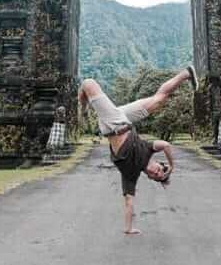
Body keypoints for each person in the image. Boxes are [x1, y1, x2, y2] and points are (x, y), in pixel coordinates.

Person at [78, 66, 198, 235]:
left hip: (113, 124)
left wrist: (129, 229)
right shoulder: (149, 150)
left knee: (88, 83)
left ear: (149, 176)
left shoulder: (131, 173)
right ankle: (186, 74)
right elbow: (166, 145)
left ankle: (82, 109)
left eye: (156, 175)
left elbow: (129, 202)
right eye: (160, 170)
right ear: (158, 162)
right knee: (159, 100)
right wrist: (171, 165)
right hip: (123, 118)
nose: (157, 172)